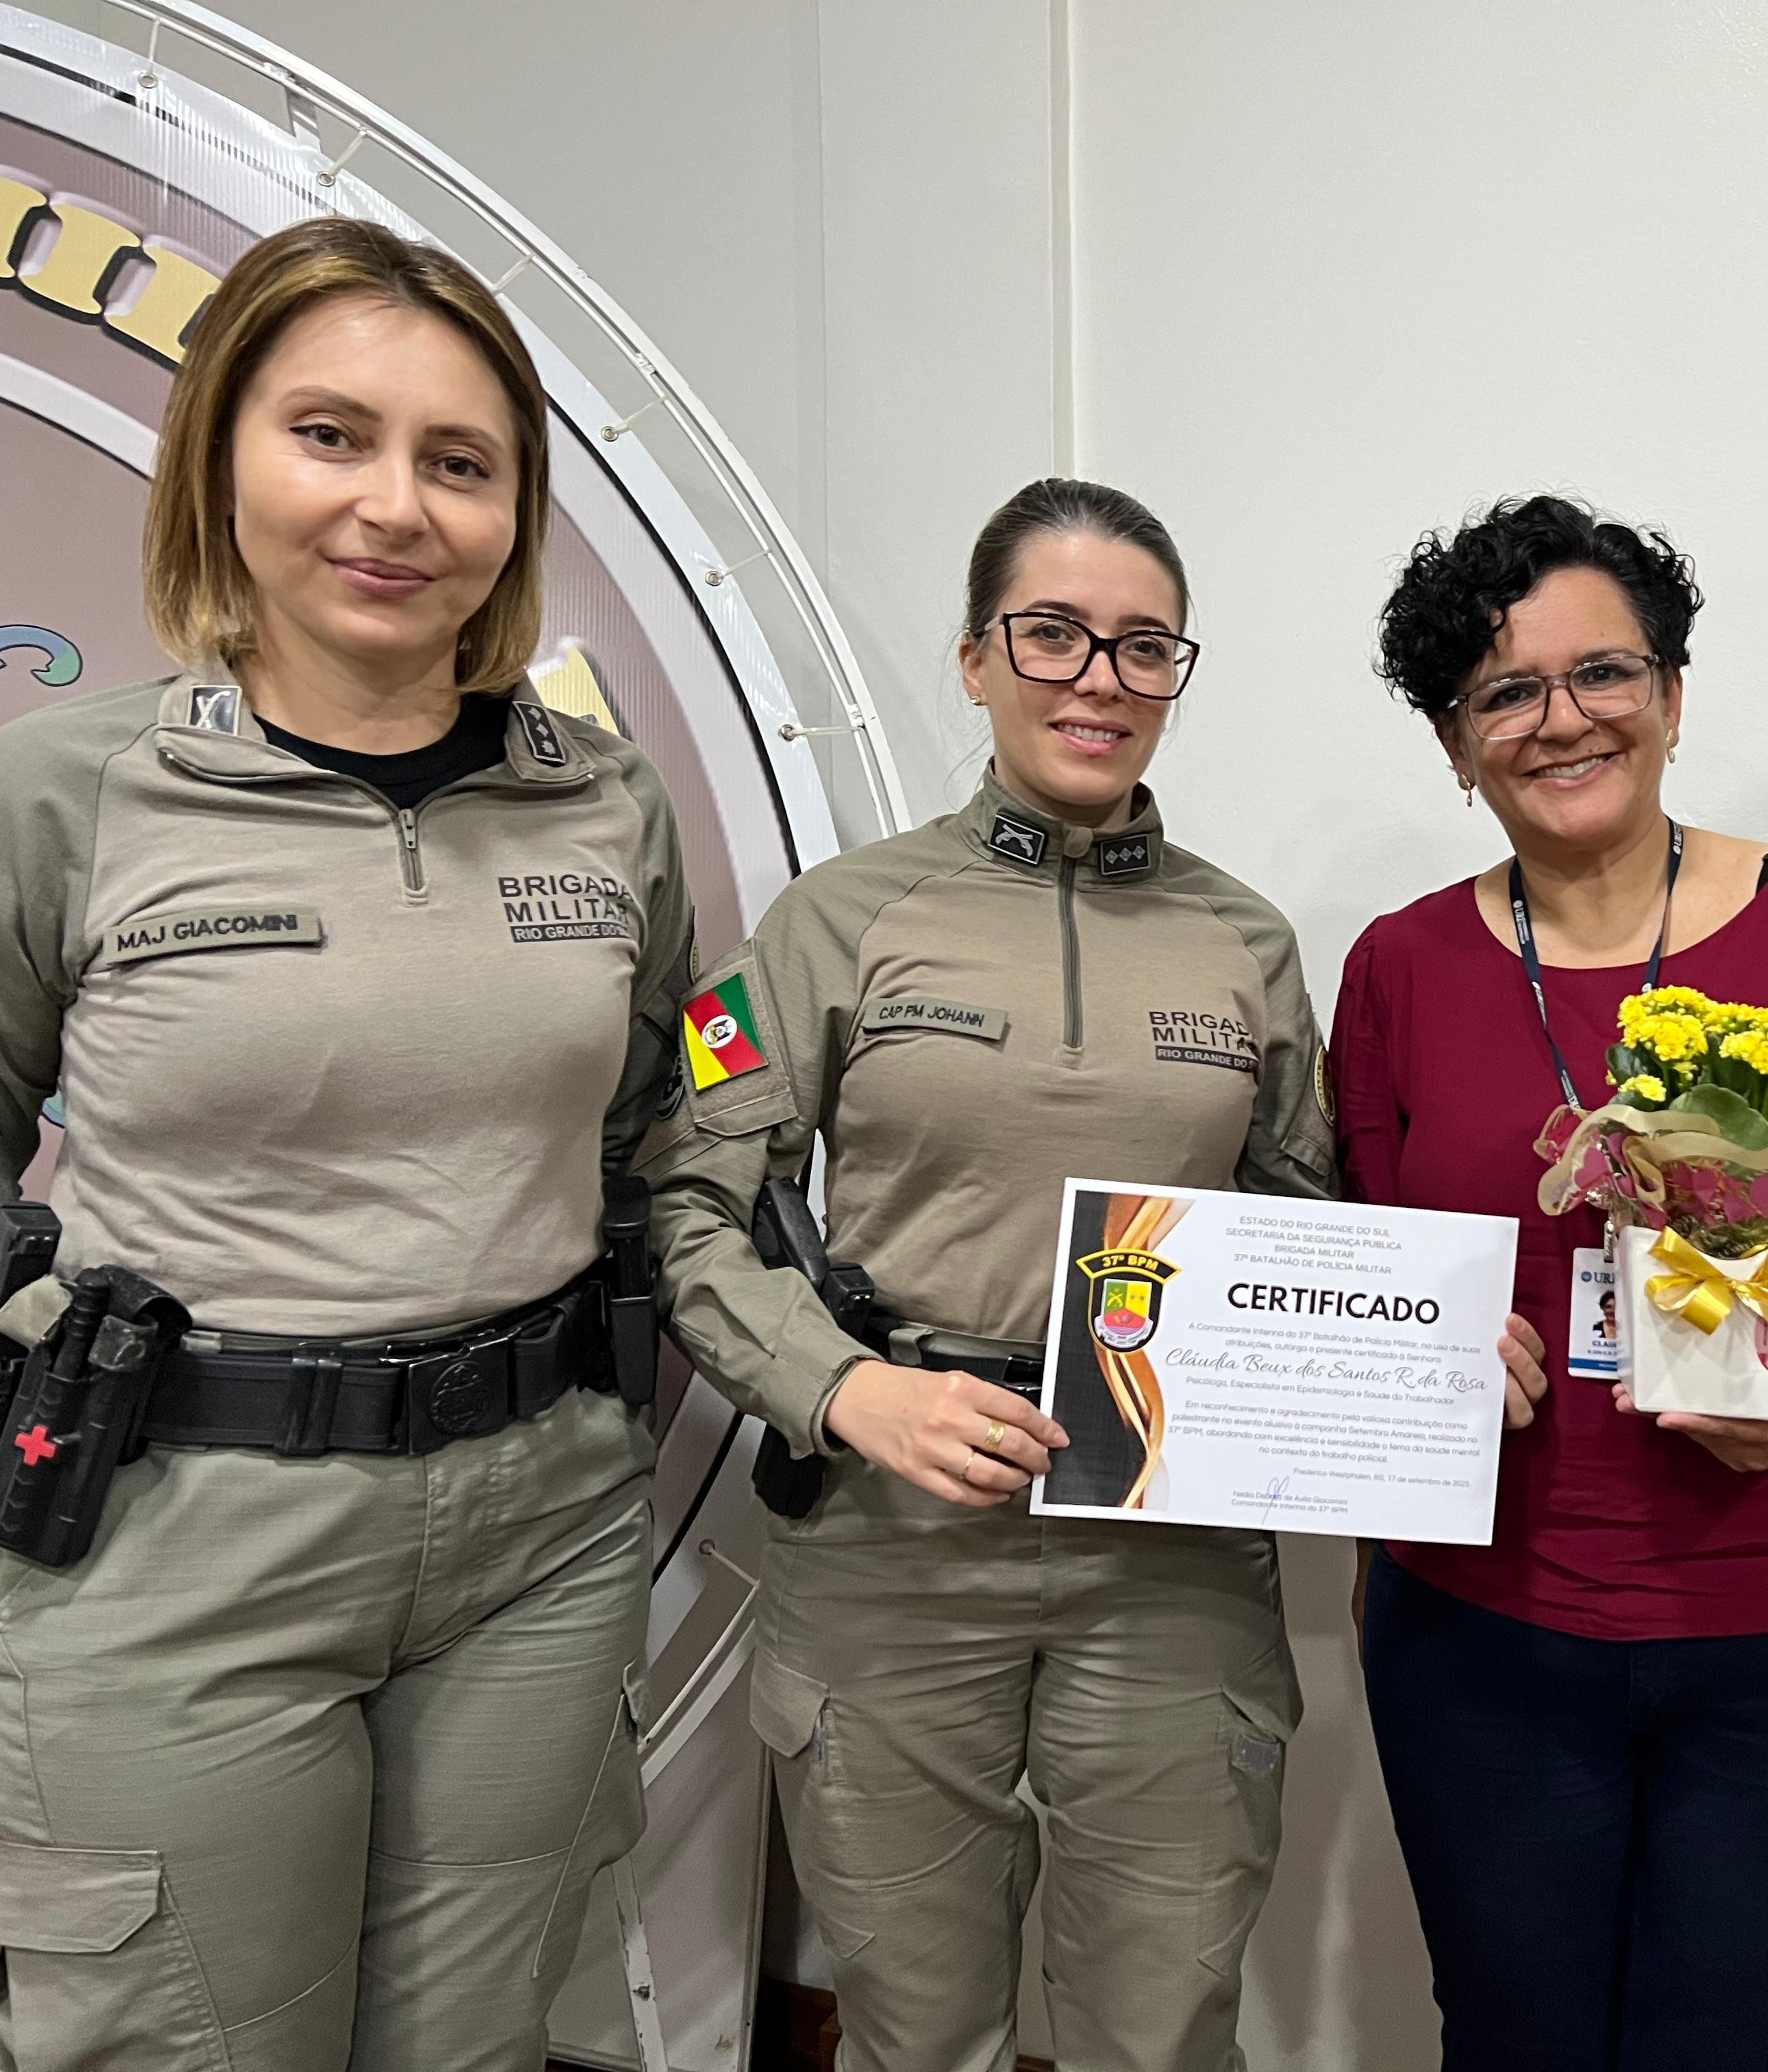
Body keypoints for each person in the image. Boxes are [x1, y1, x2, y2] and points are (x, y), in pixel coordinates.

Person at [0, 218, 690, 2069]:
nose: (395, 508)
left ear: (514, 516)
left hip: (537, 1538)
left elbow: (660, 1126)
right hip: (180, 1539)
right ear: (223, 458)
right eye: (331, 435)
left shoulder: (602, 808)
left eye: (459, 464)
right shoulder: (70, 791)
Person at [643, 478, 1365, 2072]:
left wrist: (1428, 1348)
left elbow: (1308, 1228)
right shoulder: (833, 922)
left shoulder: (1245, 941)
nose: (1099, 679)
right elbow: (692, 1212)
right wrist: (843, 1387)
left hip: (1169, 1557)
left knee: (1164, 2024)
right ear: (976, 660)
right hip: (900, 1535)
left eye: (1145, 647)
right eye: (1054, 634)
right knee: (917, 2026)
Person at [1334, 493, 1768, 2071]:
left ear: (1671, 696)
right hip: (1481, 1641)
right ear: (1455, 747)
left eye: (1604, 673)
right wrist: (1417, 1355)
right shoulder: (1397, 968)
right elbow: (1372, 1252)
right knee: (1510, 2042)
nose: (1561, 719)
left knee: (1732, 2047)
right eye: (1503, 692)